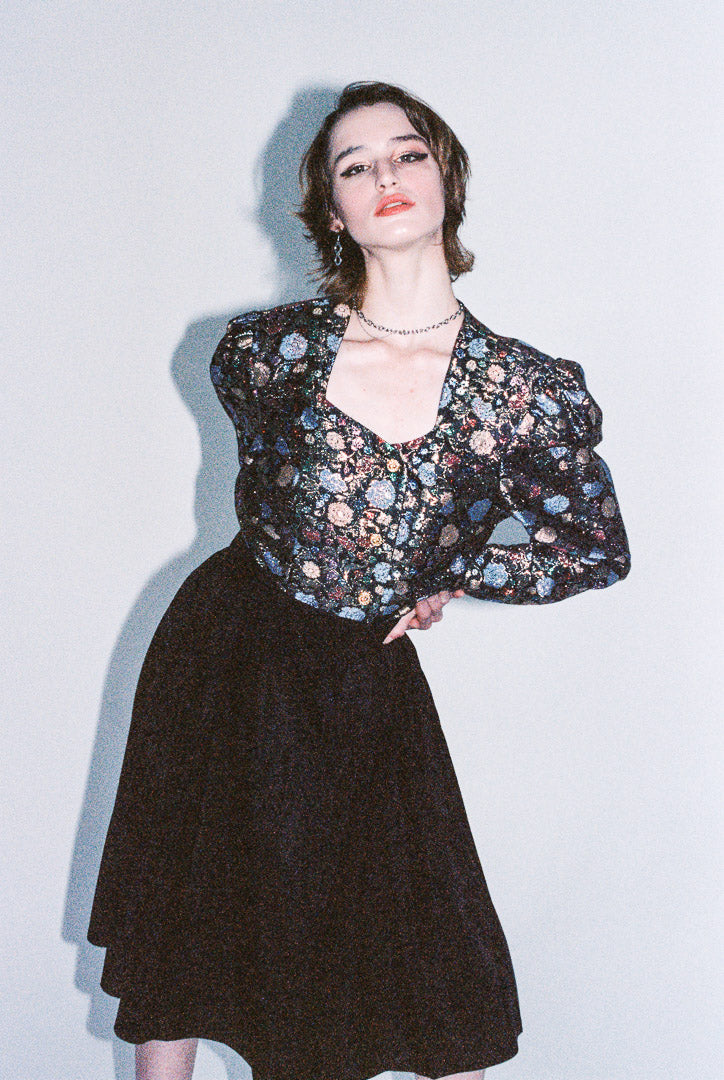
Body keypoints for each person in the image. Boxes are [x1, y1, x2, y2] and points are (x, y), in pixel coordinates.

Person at [87, 81, 631, 1080]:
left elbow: (590, 545)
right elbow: (280, 508)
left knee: (416, 958)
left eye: (407, 153)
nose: (385, 175)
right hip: (230, 655)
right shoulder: (269, 351)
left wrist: (454, 567)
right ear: (331, 211)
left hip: (358, 680)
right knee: (191, 932)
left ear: (445, 179)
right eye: (354, 165)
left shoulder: (523, 389)